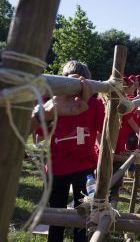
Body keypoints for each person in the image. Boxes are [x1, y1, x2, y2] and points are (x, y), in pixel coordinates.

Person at [31, 61, 105, 242]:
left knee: (57, 215)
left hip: (58, 168)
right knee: (82, 215)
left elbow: (40, 135)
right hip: (84, 167)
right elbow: (104, 134)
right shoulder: (95, 104)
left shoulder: (53, 103)